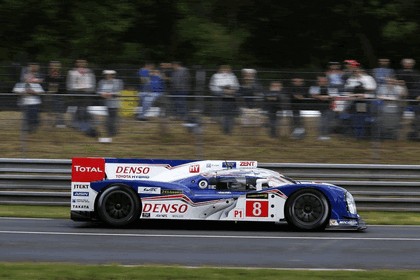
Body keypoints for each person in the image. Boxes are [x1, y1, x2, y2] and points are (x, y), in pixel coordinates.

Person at [66, 59, 97, 137]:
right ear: (76, 63)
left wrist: (87, 89)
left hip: (86, 94)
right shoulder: (71, 72)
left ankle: (85, 128)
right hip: (76, 94)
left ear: (86, 63)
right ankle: (82, 127)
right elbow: (69, 85)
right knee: (79, 111)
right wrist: (76, 89)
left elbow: (93, 85)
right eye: (79, 62)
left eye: (83, 62)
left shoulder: (90, 73)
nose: (81, 63)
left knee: (83, 110)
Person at [13, 63, 44, 133]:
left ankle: (34, 124)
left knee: (33, 114)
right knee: (27, 115)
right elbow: (15, 91)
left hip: (35, 102)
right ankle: (30, 126)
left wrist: (34, 92)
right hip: (24, 102)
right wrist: (23, 92)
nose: (28, 77)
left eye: (30, 76)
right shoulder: (20, 84)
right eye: (27, 76)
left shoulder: (36, 85)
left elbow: (41, 91)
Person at [209, 65, 240, 134]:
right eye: (224, 69)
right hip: (220, 99)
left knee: (231, 116)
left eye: (227, 70)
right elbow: (212, 87)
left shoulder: (233, 77)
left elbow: (237, 86)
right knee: (223, 116)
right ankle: (224, 131)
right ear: (220, 70)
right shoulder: (215, 76)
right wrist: (223, 92)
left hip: (231, 99)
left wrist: (233, 91)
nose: (225, 71)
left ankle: (230, 131)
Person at [396, 58, 420, 141]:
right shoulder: (399, 73)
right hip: (403, 99)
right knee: (405, 119)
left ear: (412, 64)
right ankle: (403, 137)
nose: (408, 65)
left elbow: (418, 85)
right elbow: (398, 84)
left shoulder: (416, 73)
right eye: (406, 63)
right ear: (403, 64)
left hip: (415, 99)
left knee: (416, 118)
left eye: (410, 63)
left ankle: (416, 136)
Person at [97, 70, 123, 143]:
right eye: (107, 74)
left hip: (114, 102)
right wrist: (102, 93)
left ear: (113, 75)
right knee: (110, 117)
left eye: (110, 74)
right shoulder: (102, 82)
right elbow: (98, 90)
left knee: (113, 117)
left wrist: (111, 94)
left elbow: (119, 91)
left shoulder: (118, 81)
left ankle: (112, 132)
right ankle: (111, 131)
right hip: (106, 102)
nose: (108, 76)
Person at [309, 76, 338, 140]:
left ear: (327, 81)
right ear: (318, 81)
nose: (322, 82)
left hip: (330, 106)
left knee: (328, 121)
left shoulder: (331, 87)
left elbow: (334, 96)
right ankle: (322, 135)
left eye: (324, 81)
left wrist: (322, 97)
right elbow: (313, 95)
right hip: (320, 106)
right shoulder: (314, 87)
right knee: (323, 121)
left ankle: (325, 134)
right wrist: (326, 97)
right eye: (321, 81)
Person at [44, 61, 66, 128]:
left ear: (59, 67)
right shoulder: (47, 75)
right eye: (53, 66)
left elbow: (62, 85)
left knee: (59, 109)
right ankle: (49, 123)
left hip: (59, 95)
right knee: (49, 110)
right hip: (49, 95)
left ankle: (60, 123)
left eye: (56, 66)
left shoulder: (62, 76)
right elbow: (46, 85)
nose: (54, 67)